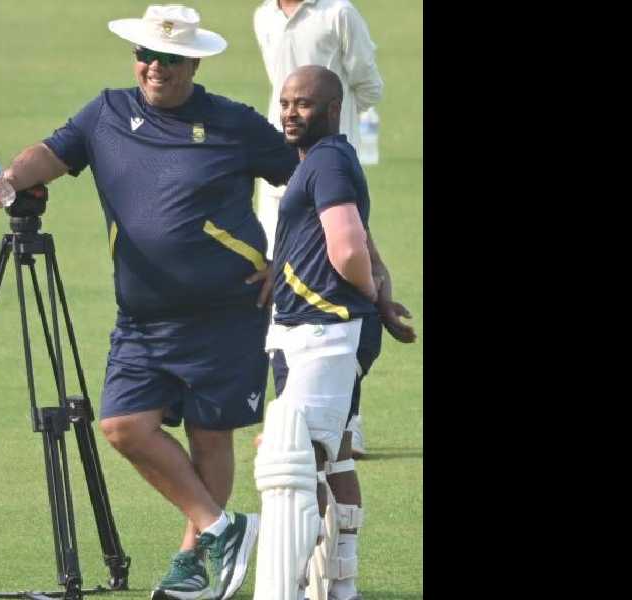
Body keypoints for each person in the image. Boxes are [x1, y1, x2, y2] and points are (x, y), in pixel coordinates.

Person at [0, 5, 299, 600]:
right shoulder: (104, 113)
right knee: (123, 424)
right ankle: (221, 528)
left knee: (211, 437)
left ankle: (194, 567)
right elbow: (49, 153)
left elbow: (309, 179)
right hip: (143, 317)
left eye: (170, 57)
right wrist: (8, 183)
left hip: (225, 313)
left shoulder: (233, 123)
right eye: (146, 55)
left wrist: (290, 259)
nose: (154, 67)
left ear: (194, 61)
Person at [253, 0, 415, 458]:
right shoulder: (263, 16)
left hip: (322, 152)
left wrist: (328, 132)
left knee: (339, 281)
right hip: (288, 158)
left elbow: (369, 85)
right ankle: (297, 412)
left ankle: (341, 421)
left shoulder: (338, 13)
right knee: (280, 282)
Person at [253, 65, 382, 600]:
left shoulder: (325, 161)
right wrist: (380, 299)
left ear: (332, 110)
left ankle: (294, 588)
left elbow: (348, 246)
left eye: (303, 104)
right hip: (323, 330)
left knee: (291, 461)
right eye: (285, 102)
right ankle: (337, 585)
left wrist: (367, 297)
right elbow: (358, 239)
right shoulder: (330, 159)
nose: (289, 112)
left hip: (323, 332)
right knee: (337, 452)